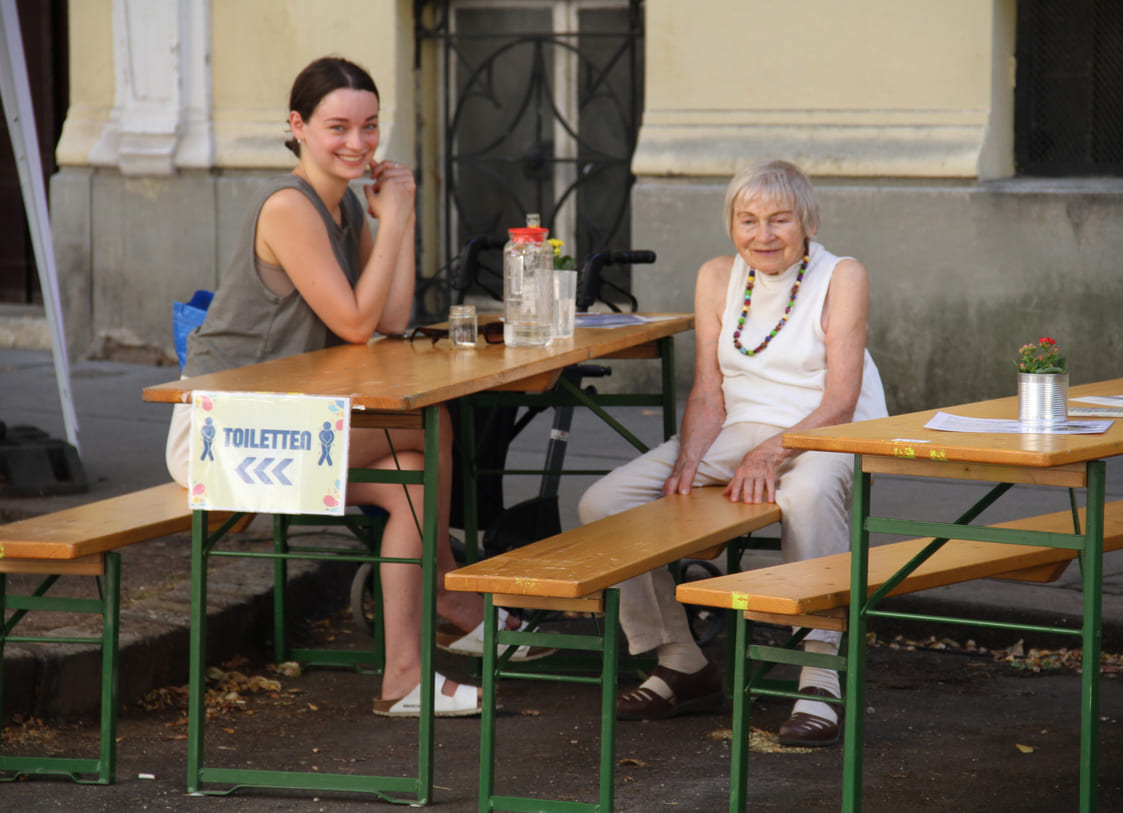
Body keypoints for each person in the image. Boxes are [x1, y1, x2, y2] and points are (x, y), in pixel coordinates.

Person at [164, 56, 530, 719]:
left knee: (413, 476)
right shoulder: (288, 206)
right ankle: (449, 592)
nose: (358, 144)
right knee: (432, 426)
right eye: (338, 127)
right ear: (298, 126)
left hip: (281, 421)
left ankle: (404, 677)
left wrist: (402, 211)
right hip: (221, 432)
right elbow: (359, 323)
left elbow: (391, 317)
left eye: (369, 127)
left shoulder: (339, 208)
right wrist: (387, 222)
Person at [577, 159, 887, 747]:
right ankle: (680, 660)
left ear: (808, 222)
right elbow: (708, 388)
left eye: (779, 220)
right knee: (605, 502)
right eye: (748, 220)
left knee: (807, 492)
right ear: (730, 225)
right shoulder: (718, 276)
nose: (762, 235)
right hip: (740, 430)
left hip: (831, 430)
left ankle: (819, 676)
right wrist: (689, 462)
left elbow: (842, 397)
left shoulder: (841, 274)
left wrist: (772, 453)